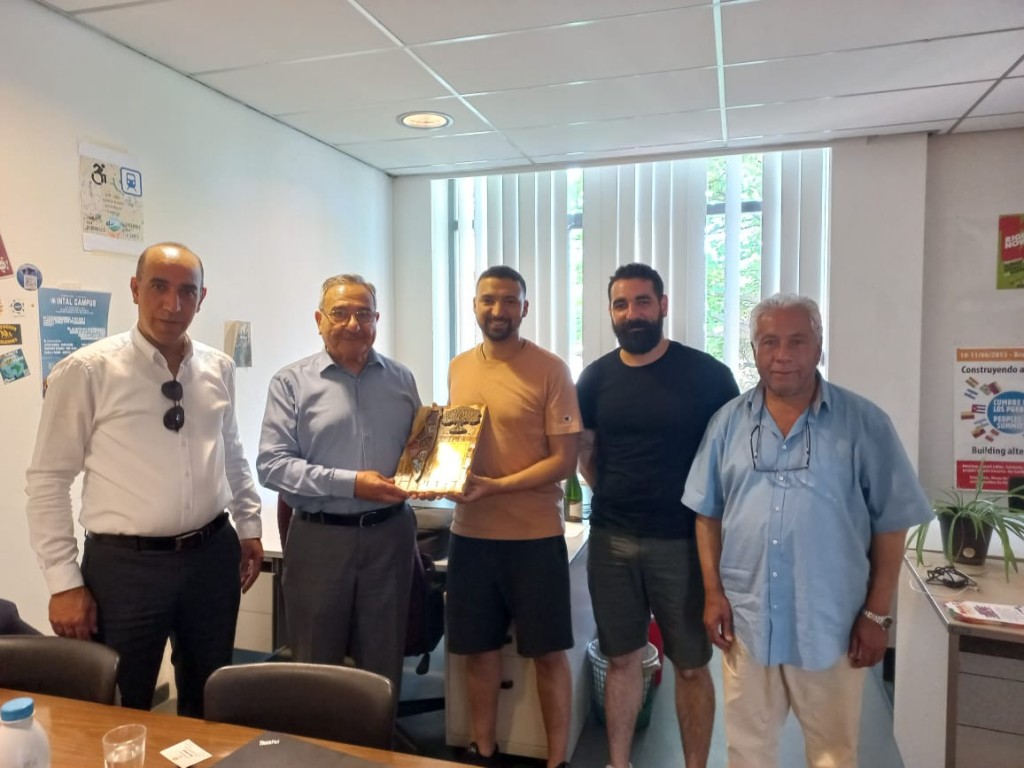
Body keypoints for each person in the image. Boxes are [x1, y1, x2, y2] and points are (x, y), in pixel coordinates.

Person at [683, 293, 933, 767]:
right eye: (769, 342)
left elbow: (892, 523)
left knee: (832, 754)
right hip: (748, 620)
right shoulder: (727, 424)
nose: (783, 355)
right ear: (754, 350)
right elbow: (707, 514)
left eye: (797, 341)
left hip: (831, 623)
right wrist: (713, 594)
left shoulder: (864, 423)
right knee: (747, 752)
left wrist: (878, 614)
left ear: (819, 346)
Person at [25, 242, 263, 717]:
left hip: (212, 556)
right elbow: (48, 481)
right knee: (116, 703)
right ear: (135, 289)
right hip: (125, 570)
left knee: (209, 695)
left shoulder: (218, 367)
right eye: (159, 287)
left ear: (202, 298)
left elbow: (232, 452)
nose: (172, 304)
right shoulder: (87, 371)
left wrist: (250, 525)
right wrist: (63, 582)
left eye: (187, 291)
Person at [576, 263, 739, 768]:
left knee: (690, 666)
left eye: (643, 302)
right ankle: (618, 762)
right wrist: (618, 496)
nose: (633, 314)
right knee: (622, 660)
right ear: (611, 312)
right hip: (611, 540)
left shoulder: (708, 376)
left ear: (663, 305)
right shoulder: (595, 378)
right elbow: (587, 453)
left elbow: (731, 458)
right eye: (621, 305)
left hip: (683, 544)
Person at [257, 274, 419, 693]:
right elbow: (272, 467)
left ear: (377, 319)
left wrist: (438, 475)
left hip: (390, 537)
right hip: (320, 540)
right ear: (319, 320)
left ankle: (378, 737)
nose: (353, 323)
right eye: (340, 313)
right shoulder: (291, 383)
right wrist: (352, 484)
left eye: (364, 313)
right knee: (316, 663)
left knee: (383, 663)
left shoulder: (402, 380)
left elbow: (419, 454)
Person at [445, 265, 580, 768]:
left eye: (508, 301)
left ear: (524, 307)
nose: (497, 310)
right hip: (470, 536)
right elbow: (454, 445)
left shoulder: (551, 370)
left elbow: (564, 462)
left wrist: (497, 487)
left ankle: (556, 760)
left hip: (534, 538)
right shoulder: (459, 367)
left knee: (548, 653)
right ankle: (483, 749)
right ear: (474, 306)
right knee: (477, 650)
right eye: (488, 300)